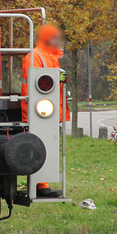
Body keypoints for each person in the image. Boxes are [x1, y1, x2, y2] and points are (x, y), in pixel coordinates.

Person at [21, 23, 69, 198]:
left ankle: (42, 185)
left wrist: (59, 78)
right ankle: (40, 185)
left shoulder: (47, 56)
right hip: (39, 112)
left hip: (47, 110)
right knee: (40, 147)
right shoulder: (35, 56)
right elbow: (35, 85)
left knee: (46, 146)